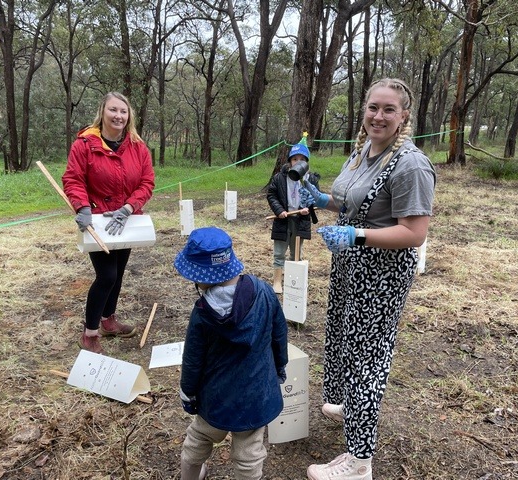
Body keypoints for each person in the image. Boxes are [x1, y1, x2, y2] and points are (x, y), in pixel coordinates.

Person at [301, 78, 436, 480]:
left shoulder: (410, 164)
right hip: (350, 268)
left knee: (368, 359)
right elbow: (352, 201)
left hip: (381, 273)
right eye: (373, 107)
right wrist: (323, 200)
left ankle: (359, 462)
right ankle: (351, 406)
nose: (378, 116)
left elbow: (415, 232)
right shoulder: (363, 151)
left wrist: (356, 235)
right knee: (344, 339)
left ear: (404, 116)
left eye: (388, 109)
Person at [174, 226, 288, 480]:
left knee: (198, 441)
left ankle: (190, 476)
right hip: (257, 395)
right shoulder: (265, 291)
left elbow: (193, 359)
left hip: (216, 398)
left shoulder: (202, 313)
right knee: (249, 455)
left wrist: (188, 393)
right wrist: (280, 367)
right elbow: (279, 335)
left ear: (201, 276)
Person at [62, 92, 155, 355]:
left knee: (119, 272)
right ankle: (90, 333)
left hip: (125, 220)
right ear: (103, 111)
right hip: (98, 222)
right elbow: (73, 179)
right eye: (113, 110)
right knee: (107, 275)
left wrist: (128, 208)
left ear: (129, 116)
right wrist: (81, 207)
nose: (118, 116)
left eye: (123, 112)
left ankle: (108, 321)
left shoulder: (137, 146)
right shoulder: (84, 144)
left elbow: (147, 182)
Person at [266, 138, 320, 293]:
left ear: (307, 162)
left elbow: (317, 198)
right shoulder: (279, 178)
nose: (298, 162)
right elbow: (272, 195)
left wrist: (307, 208)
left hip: (300, 220)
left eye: (302, 159)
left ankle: (292, 281)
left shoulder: (311, 179)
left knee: (296, 252)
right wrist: (279, 211)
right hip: (283, 220)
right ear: (289, 161)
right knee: (279, 252)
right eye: (295, 159)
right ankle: (277, 282)